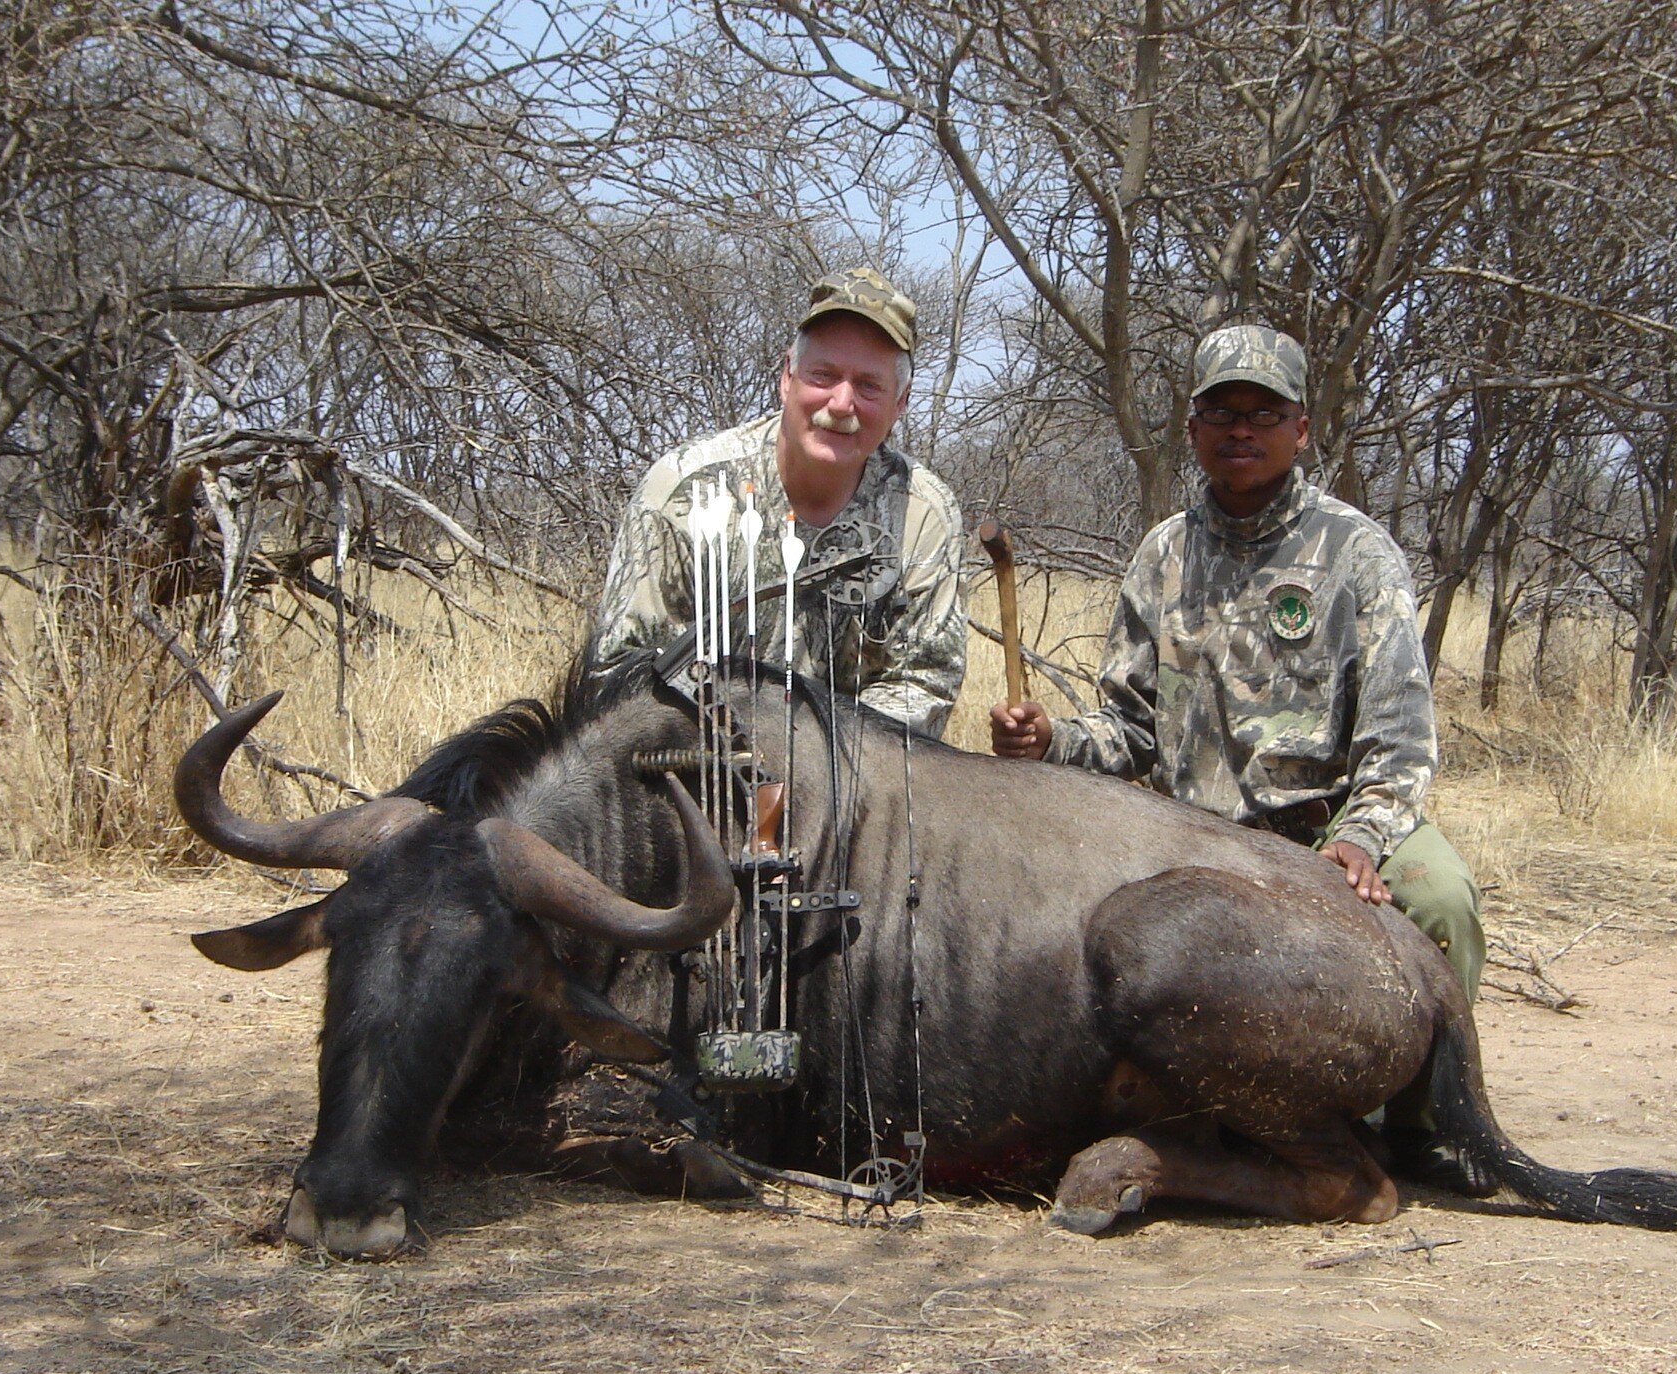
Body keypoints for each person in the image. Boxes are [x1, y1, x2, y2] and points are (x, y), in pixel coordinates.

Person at [989, 322, 1493, 1196]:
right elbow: (1130, 730)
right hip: (1195, 842)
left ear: (1302, 428)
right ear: (1193, 429)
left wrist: (1366, 839)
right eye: (1221, 411)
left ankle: (1412, 1131)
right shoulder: (1164, 555)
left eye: (1265, 412)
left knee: (1441, 901)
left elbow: (1401, 743)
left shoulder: (1358, 554)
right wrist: (1053, 742)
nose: (1241, 429)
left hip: (1330, 831)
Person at [591, 268, 966, 736]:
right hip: (692, 766)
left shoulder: (923, 512)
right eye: (823, 375)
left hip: (851, 781)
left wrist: (811, 758)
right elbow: (618, 671)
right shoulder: (685, 489)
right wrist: (738, 741)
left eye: (869, 386)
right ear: (787, 376)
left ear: (901, 402)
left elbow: (923, 683)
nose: (842, 403)